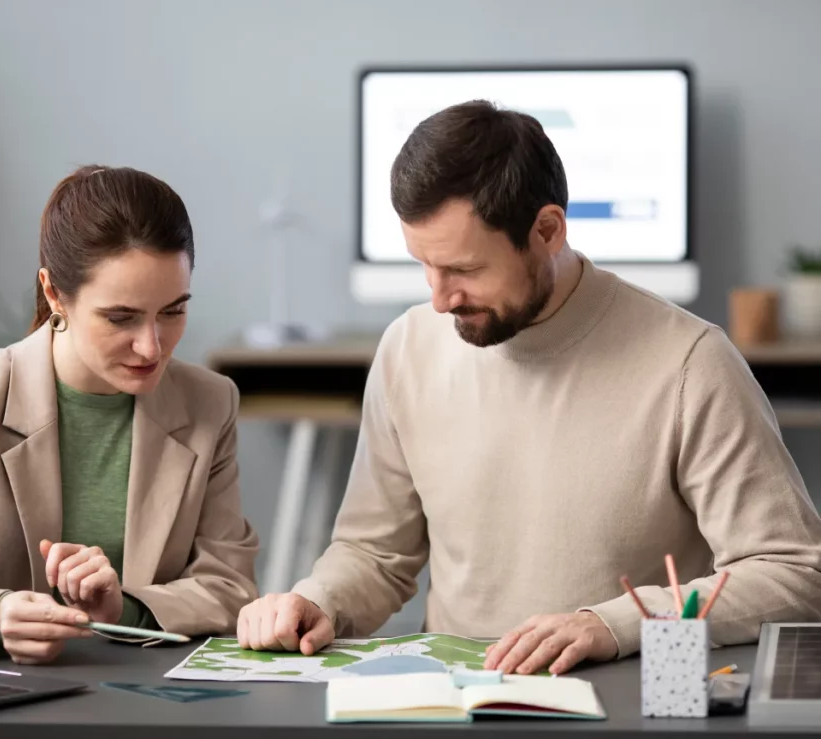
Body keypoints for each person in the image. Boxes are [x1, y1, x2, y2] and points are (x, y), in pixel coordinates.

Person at [236, 100, 821, 675]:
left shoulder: (691, 363)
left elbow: (793, 573)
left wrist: (612, 625)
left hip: (620, 702)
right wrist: (318, 600)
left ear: (547, 230)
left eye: (465, 270)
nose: (440, 299)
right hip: (452, 698)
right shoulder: (408, 346)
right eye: (425, 267)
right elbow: (375, 553)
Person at [0, 164, 259, 664]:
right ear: (53, 292)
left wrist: (124, 608)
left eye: (172, 311)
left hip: (150, 699)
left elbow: (229, 585)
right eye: (121, 317)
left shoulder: (209, 404)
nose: (152, 346)